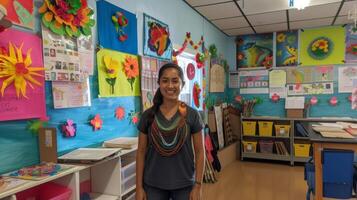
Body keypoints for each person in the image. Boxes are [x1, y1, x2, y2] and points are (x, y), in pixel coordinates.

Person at [136, 63, 205, 200]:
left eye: (175, 81)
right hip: (153, 185)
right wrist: (139, 187)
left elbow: (200, 151)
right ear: (159, 83)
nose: (170, 86)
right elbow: (141, 152)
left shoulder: (192, 115)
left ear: (182, 84)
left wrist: (198, 186)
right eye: (165, 81)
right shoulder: (148, 115)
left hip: (185, 185)